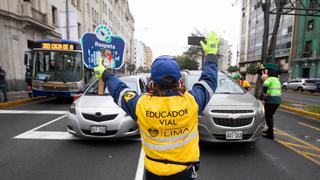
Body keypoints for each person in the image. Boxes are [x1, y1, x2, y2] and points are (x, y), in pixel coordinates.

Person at [94, 32, 220, 179]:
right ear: (179, 81)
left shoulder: (141, 105)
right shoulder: (191, 101)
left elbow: (120, 90)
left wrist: (105, 74)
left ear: (152, 81)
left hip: (154, 173)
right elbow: (209, 80)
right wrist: (211, 55)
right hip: (184, 173)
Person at [258, 63, 281, 140]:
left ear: (268, 72)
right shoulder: (277, 80)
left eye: (264, 72)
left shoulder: (269, 79)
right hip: (277, 101)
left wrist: (264, 94)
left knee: (268, 116)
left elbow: (265, 87)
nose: (262, 74)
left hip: (271, 101)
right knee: (270, 116)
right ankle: (269, 131)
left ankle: (270, 134)